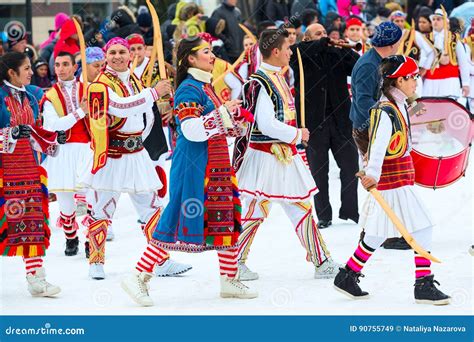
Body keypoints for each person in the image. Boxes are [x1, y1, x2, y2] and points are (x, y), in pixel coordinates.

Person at [121, 36, 257, 306]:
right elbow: (191, 131)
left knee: (225, 217)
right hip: (194, 167)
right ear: (190, 59)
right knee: (174, 218)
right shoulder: (188, 89)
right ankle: (139, 275)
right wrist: (223, 114)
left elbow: (213, 125)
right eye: (206, 52)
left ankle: (229, 278)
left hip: (216, 165)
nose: (212, 56)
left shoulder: (206, 88)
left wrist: (233, 120)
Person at [334, 56, 451, 306]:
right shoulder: (385, 110)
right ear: (400, 80)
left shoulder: (397, 106)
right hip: (393, 178)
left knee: (376, 233)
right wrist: (371, 175)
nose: (416, 82)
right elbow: (377, 147)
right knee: (423, 227)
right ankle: (423, 283)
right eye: (413, 77)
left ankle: (348, 275)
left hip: (400, 176)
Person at [80, 37, 190, 279]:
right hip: (112, 155)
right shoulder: (100, 84)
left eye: (122, 52)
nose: (118, 56)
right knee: (102, 209)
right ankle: (95, 262)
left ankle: (160, 259)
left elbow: (143, 111)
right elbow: (120, 107)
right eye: (113, 52)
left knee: (152, 208)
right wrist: (153, 92)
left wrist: (154, 112)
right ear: (106, 57)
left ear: (130, 56)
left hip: (136, 153)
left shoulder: (133, 80)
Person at [234, 29, 338, 281]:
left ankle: (321, 260)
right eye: (288, 48)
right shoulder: (260, 82)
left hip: (280, 156)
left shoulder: (276, 77)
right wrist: (296, 134)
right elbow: (266, 123)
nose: (292, 52)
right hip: (267, 156)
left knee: (297, 207)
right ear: (276, 51)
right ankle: (235, 262)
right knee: (257, 210)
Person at [0, 51, 66, 297]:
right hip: (4, 172)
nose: (31, 72)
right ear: (11, 72)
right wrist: (9, 135)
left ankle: (36, 277)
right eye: (26, 68)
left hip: (28, 168)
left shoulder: (29, 97)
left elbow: (34, 132)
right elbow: (15, 133)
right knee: (6, 224)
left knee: (33, 224)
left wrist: (52, 139)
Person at [291, 24, 360, 229]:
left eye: (324, 33)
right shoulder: (299, 53)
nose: (324, 37)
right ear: (307, 39)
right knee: (319, 172)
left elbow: (356, 67)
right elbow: (298, 53)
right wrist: (322, 43)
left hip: (341, 121)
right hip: (314, 123)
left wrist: (346, 48)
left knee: (350, 167)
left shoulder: (334, 53)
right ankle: (323, 215)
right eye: (318, 34)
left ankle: (349, 211)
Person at [41, 52, 90, 257]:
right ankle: (71, 237)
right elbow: (52, 124)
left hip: (87, 148)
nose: (60, 68)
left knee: (90, 198)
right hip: (63, 151)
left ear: (74, 67)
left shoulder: (87, 88)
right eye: (58, 65)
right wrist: (80, 112)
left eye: (65, 64)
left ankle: (91, 240)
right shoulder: (50, 96)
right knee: (65, 201)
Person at [422, 8, 470, 99]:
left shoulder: (454, 38)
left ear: (445, 22)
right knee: (429, 108)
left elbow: (463, 61)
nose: (435, 22)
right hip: (430, 82)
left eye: (438, 19)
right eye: (434, 19)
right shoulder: (426, 38)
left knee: (449, 108)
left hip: (450, 81)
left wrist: (465, 83)